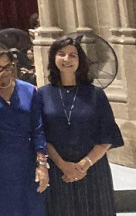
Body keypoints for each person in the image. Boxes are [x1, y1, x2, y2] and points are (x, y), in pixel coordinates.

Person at [37, 34, 124, 215]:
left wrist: (84, 165)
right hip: (58, 170)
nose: (66, 59)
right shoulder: (42, 94)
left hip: (93, 168)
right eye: (61, 54)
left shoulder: (96, 94)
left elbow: (107, 135)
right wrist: (63, 165)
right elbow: (41, 134)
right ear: (54, 58)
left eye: (72, 55)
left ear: (80, 61)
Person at [0, 41, 49, 215]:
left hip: (24, 162)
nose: (5, 73)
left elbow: (38, 129)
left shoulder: (28, 90)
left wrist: (42, 164)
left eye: (8, 67)